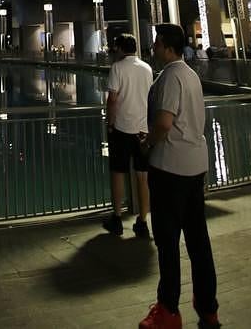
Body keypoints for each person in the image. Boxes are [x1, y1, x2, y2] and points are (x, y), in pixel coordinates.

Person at [138, 24, 219, 329]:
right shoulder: (191, 75)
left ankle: (169, 310)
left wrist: (147, 143)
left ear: (167, 47)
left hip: (170, 169)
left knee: (168, 242)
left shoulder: (170, 76)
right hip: (195, 166)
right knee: (199, 241)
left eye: (157, 43)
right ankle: (208, 306)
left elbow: (164, 122)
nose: (154, 48)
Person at [102, 33, 153, 239]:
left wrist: (110, 123)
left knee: (118, 172)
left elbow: (112, 99)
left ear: (121, 49)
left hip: (122, 129)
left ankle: (117, 218)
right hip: (143, 130)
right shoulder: (147, 68)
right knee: (143, 176)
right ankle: (142, 221)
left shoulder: (117, 68)